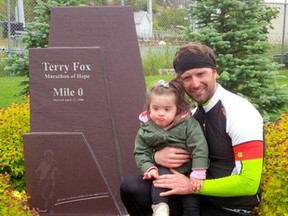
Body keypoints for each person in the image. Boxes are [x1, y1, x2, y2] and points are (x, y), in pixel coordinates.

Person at [120, 42, 264, 216]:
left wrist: (190, 185)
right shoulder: (193, 115)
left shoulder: (240, 111)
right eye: (187, 77)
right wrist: (155, 156)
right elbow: (151, 143)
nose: (195, 84)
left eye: (201, 74)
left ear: (214, 71)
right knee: (132, 188)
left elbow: (249, 183)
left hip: (230, 207)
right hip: (197, 198)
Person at [134, 79, 209, 216]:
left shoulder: (188, 125)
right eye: (155, 109)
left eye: (167, 109)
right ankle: (160, 208)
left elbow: (199, 147)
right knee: (160, 181)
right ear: (149, 108)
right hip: (163, 170)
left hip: (189, 171)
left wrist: (198, 173)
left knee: (191, 204)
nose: (160, 113)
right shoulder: (146, 129)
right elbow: (141, 151)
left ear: (177, 109)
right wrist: (149, 167)